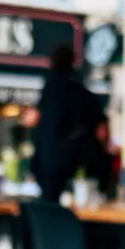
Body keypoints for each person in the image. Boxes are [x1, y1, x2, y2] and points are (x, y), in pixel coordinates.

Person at [31, 45, 104, 202]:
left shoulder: (50, 89)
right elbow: (95, 117)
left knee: (50, 204)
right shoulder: (76, 90)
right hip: (69, 162)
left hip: (50, 161)